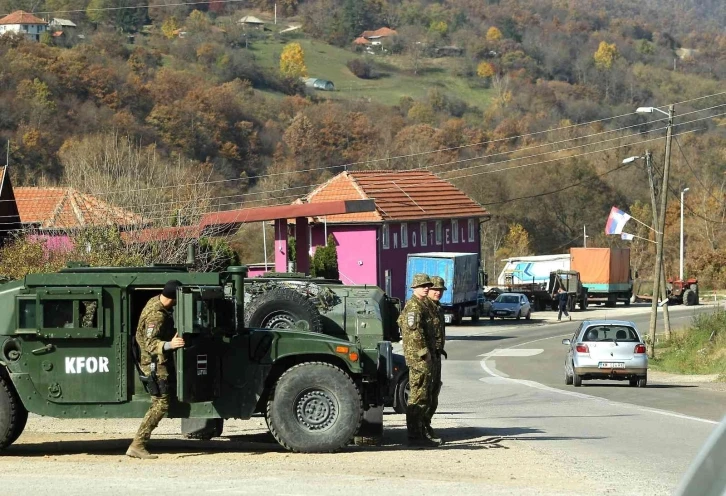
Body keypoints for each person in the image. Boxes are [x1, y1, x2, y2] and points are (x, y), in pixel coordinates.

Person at [126, 280, 186, 459]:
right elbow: (151, 344)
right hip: (153, 362)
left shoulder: (157, 301)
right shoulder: (156, 315)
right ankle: (138, 444)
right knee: (161, 403)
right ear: (173, 298)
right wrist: (170, 344)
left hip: (157, 360)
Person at [396, 273, 440, 448]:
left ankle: (421, 431)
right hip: (418, 359)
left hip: (425, 357)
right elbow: (414, 333)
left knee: (425, 394)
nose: (427, 288)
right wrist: (424, 353)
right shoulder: (414, 307)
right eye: (423, 286)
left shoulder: (423, 305)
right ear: (414, 288)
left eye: (428, 285)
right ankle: (415, 436)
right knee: (417, 396)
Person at [425, 276, 448, 444]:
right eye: (435, 290)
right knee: (423, 395)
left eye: (440, 290)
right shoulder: (424, 308)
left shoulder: (437, 308)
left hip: (436, 355)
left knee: (433, 394)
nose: (437, 293)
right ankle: (420, 430)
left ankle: (426, 426)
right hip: (426, 357)